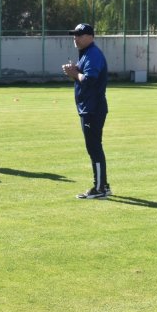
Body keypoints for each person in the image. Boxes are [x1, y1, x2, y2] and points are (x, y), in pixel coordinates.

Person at [62, 23, 110, 199]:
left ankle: (100, 188)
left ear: (91, 37)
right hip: (89, 107)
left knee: (94, 148)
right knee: (94, 147)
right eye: (75, 35)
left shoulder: (93, 54)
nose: (76, 38)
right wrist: (74, 71)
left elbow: (90, 79)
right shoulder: (86, 54)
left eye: (80, 35)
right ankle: (102, 184)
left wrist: (74, 73)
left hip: (93, 108)